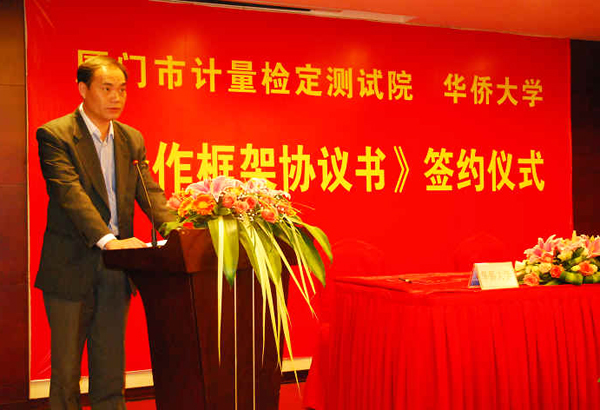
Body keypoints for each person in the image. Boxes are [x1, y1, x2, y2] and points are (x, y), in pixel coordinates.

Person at [35, 56, 174, 410]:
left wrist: (178, 233)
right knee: (66, 371)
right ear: (83, 89)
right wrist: (109, 240)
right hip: (70, 268)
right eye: (107, 88)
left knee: (111, 367)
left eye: (122, 89)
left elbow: (149, 192)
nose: (116, 97)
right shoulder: (55, 135)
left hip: (116, 269)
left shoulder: (131, 139)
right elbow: (70, 195)